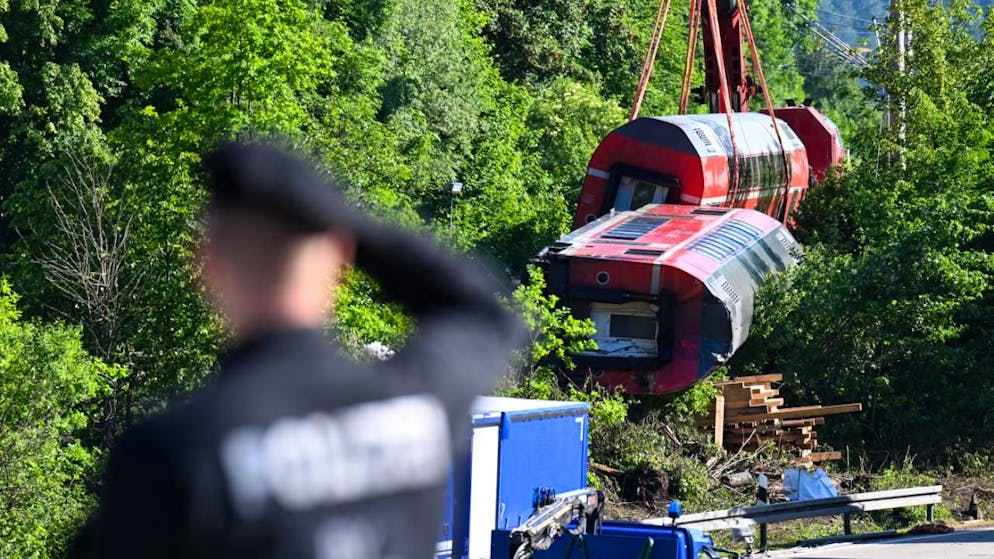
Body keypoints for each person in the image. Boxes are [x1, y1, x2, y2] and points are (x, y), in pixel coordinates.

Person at [70, 142, 525, 559]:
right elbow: (481, 311)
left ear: (208, 265)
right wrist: (347, 226)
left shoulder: (177, 452)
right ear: (339, 258)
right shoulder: (419, 402)